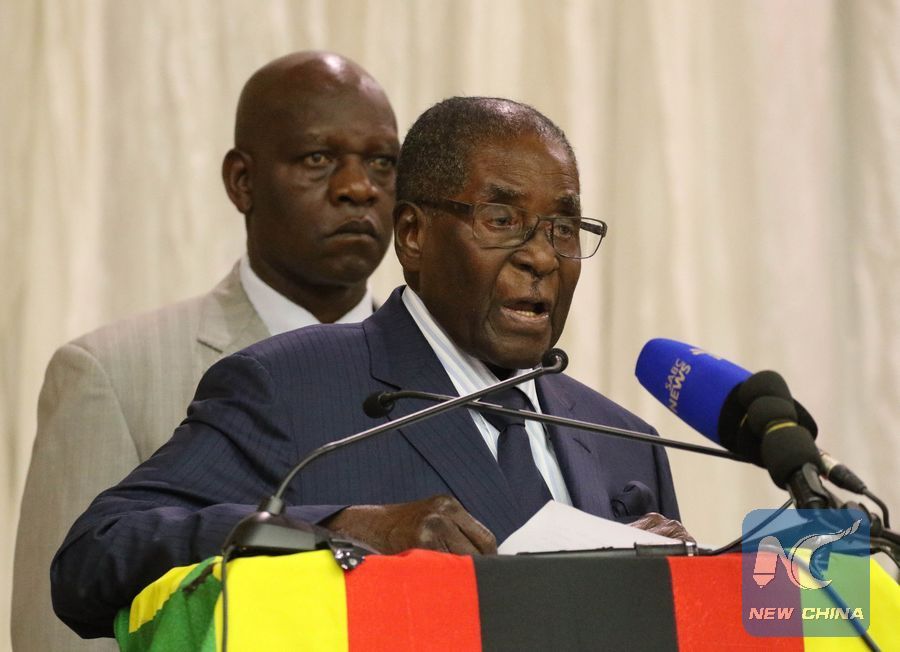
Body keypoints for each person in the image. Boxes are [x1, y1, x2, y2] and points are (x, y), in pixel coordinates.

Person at [50, 96, 684, 640]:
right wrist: (344, 530)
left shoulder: (624, 441)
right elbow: (94, 554)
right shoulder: (292, 385)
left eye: (564, 228)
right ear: (412, 235)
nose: (542, 257)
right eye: (502, 220)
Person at [13, 51, 399, 651]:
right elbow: (56, 633)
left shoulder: (448, 378)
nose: (358, 188)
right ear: (242, 181)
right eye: (317, 159)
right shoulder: (111, 373)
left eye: (382, 163)